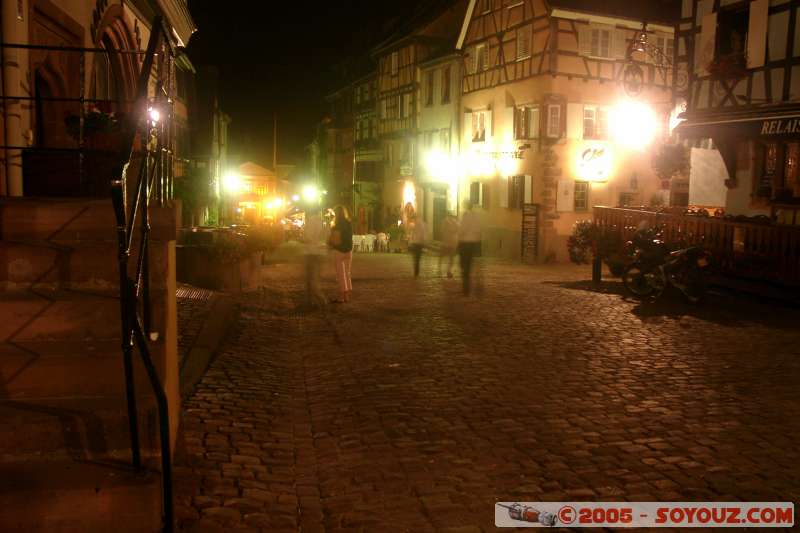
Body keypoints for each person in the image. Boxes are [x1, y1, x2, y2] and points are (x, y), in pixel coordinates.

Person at [302, 208, 328, 308]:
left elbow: (307, 237)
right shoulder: (323, 222)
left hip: (311, 252)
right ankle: (312, 301)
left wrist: (303, 239)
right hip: (321, 252)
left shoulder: (310, 221)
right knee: (315, 278)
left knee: (311, 280)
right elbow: (327, 236)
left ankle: (320, 300)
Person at [328, 205, 353, 303]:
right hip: (349, 251)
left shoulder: (337, 225)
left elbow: (335, 240)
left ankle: (341, 297)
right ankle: (347, 296)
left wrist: (329, 244)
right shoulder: (349, 223)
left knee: (340, 275)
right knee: (347, 273)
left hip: (339, 251)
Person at [458, 203, 481, 295]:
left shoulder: (466, 215)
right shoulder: (476, 217)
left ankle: (465, 287)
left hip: (465, 243)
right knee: (469, 264)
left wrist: (459, 235)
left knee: (464, 265)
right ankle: (467, 285)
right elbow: (479, 229)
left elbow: (462, 229)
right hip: (473, 243)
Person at [438, 214, 459, 278]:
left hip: (446, 241)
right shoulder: (455, 222)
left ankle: (439, 268)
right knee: (451, 257)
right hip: (453, 241)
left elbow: (441, 231)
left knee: (442, 255)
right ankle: (448, 271)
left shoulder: (444, 221)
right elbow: (458, 229)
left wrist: (442, 238)